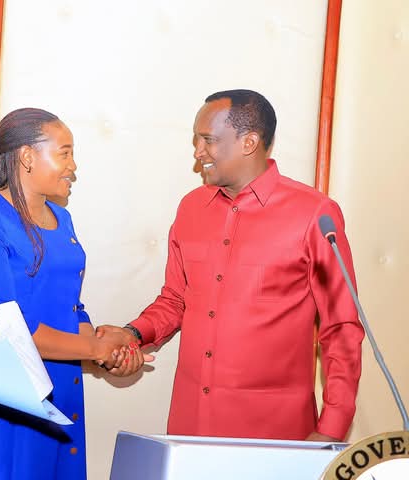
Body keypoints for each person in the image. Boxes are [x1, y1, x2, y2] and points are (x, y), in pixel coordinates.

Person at [99, 89, 365, 441]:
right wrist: (133, 334)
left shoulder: (314, 214)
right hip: (191, 430)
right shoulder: (191, 208)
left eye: (208, 140)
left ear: (248, 142)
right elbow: (175, 300)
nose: (198, 152)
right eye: (196, 140)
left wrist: (331, 428)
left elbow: (341, 328)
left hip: (275, 435)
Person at [0, 108, 150, 480]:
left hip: (60, 384)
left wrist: (106, 350)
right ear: (27, 156)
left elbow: (71, 306)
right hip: (4, 392)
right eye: (65, 153)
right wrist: (96, 349)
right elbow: (8, 326)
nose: (73, 166)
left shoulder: (63, 219)